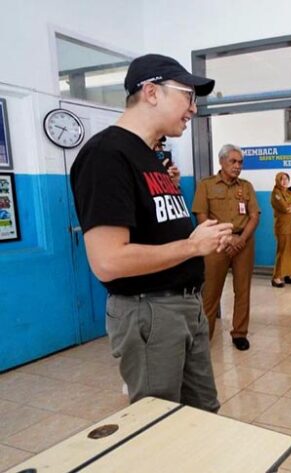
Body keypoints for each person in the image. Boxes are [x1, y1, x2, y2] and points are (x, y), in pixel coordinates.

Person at [69, 53, 232, 412]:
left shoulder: (150, 158)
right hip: (150, 310)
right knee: (159, 425)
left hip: (185, 305)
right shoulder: (106, 155)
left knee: (203, 415)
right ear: (152, 92)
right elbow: (109, 262)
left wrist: (198, 238)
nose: (193, 109)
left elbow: (157, 229)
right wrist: (192, 247)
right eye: (188, 96)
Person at [192, 144, 260, 350]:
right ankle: (205, 335)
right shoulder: (206, 185)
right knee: (211, 292)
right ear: (221, 161)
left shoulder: (246, 186)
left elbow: (254, 216)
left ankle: (239, 333)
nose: (238, 166)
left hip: (244, 242)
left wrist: (240, 239)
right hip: (216, 243)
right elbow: (201, 215)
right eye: (233, 161)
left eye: (240, 162)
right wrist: (227, 238)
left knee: (242, 290)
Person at [270, 172, 291, 287]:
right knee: (282, 251)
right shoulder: (276, 193)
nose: (285, 181)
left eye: (286, 179)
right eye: (282, 179)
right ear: (278, 180)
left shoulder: (288, 192)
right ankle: (277, 277)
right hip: (282, 227)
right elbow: (285, 208)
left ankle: (289, 274)